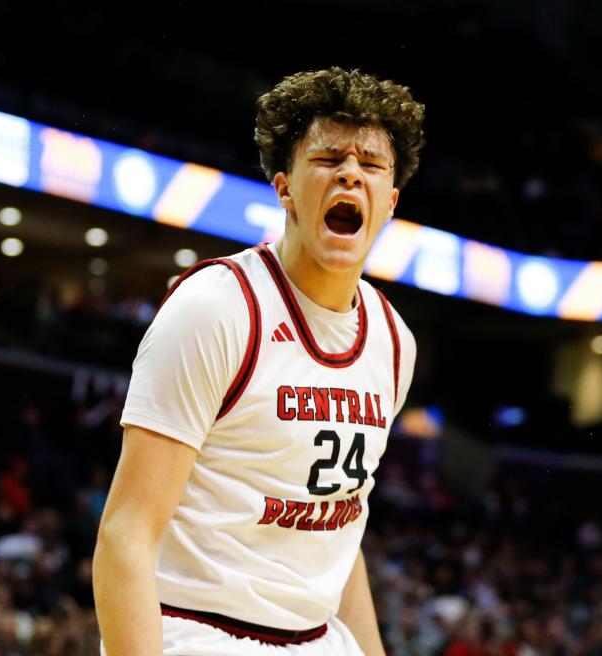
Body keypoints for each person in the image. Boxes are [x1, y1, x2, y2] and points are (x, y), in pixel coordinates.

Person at [93, 67, 425, 655]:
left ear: (390, 201)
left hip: (319, 639)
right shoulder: (216, 309)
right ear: (285, 187)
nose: (351, 172)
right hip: (196, 632)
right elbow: (126, 534)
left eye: (371, 165)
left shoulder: (394, 342)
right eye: (328, 158)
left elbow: (340, 538)